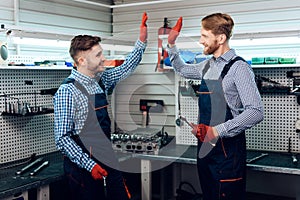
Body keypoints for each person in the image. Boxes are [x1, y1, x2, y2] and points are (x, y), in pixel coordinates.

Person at [167, 13, 264, 200]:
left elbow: (255, 112)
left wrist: (216, 131)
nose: (201, 41)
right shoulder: (207, 66)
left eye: (204, 36)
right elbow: (182, 69)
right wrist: (171, 44)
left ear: (220, 38)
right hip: (205, 153)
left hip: (227, 156)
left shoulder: (239, 68)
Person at [53, 12, 148, 200]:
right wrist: (90, 165)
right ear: (82, 61)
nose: (103, 58)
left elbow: (127, 67)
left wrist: (142, 41)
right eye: (98, 55)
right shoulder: (67, 91)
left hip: (107, 160)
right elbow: (62, 139)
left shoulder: (101, 80)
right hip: (84, 169)